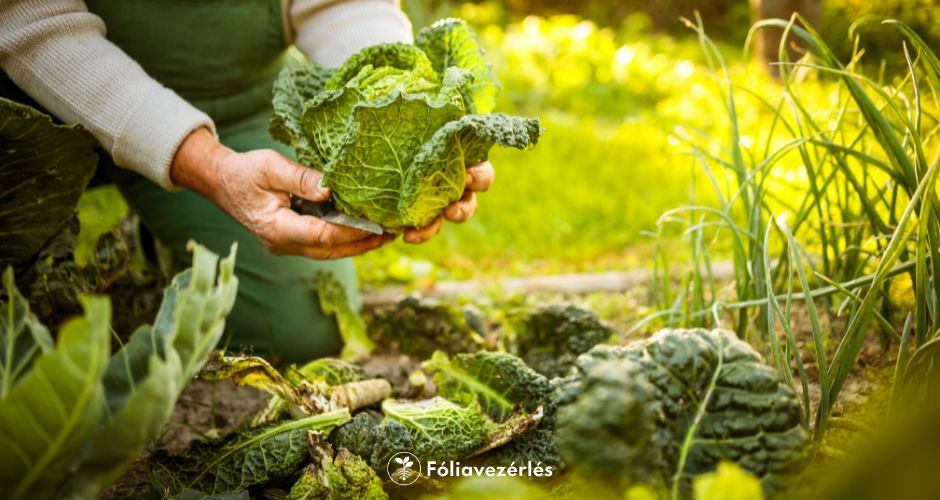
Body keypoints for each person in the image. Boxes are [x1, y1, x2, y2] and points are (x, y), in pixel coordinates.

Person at [0, 0, 495, 362]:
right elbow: (30, 20)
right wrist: (208, 167)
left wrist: (414, 115)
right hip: (29, 103)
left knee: (299, 334)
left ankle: (164, 231)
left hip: (233, 105)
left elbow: (341, 5)